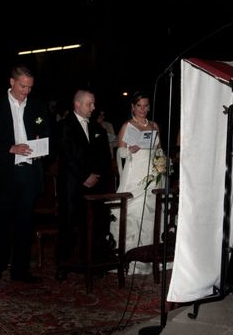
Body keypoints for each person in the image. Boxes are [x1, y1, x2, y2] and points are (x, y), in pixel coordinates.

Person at [0, 64, 51, 291]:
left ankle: (20, 270)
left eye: (30, 87)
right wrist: (10, 148)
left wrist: (41, 145)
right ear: (11, 82)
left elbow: (48, 134)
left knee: (25, 225)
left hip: (29, 173)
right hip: (5, 174)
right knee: (1, 226)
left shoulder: (38, 106)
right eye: (22, 86)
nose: (26, 91)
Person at [55, 89, 113, 279]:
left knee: (93, 225)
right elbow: (66, 156)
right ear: (77, 104)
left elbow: (104, 156)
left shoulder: (99, 129)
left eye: (94, 104)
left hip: (94, 187)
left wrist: (95, 175)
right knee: (68, 226)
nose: (93, 107)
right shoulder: (64, 126)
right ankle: (64, 266)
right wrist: (84, 176)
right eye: (90, 104)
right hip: (72, 186)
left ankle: (91, 263)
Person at [110, 92, 164, 275]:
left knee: (153, 213)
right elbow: (120, 153)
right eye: (139, 106)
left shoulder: (154, 125)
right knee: (134, 213)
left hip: (152, 174)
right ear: (132, 107)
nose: (142, 109)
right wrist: (129, 151)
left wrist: (162, 162)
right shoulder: (127, 126)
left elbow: (159, 150)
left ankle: (150, 257)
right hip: (134, 175)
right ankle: (130, 258)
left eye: (146, 106)